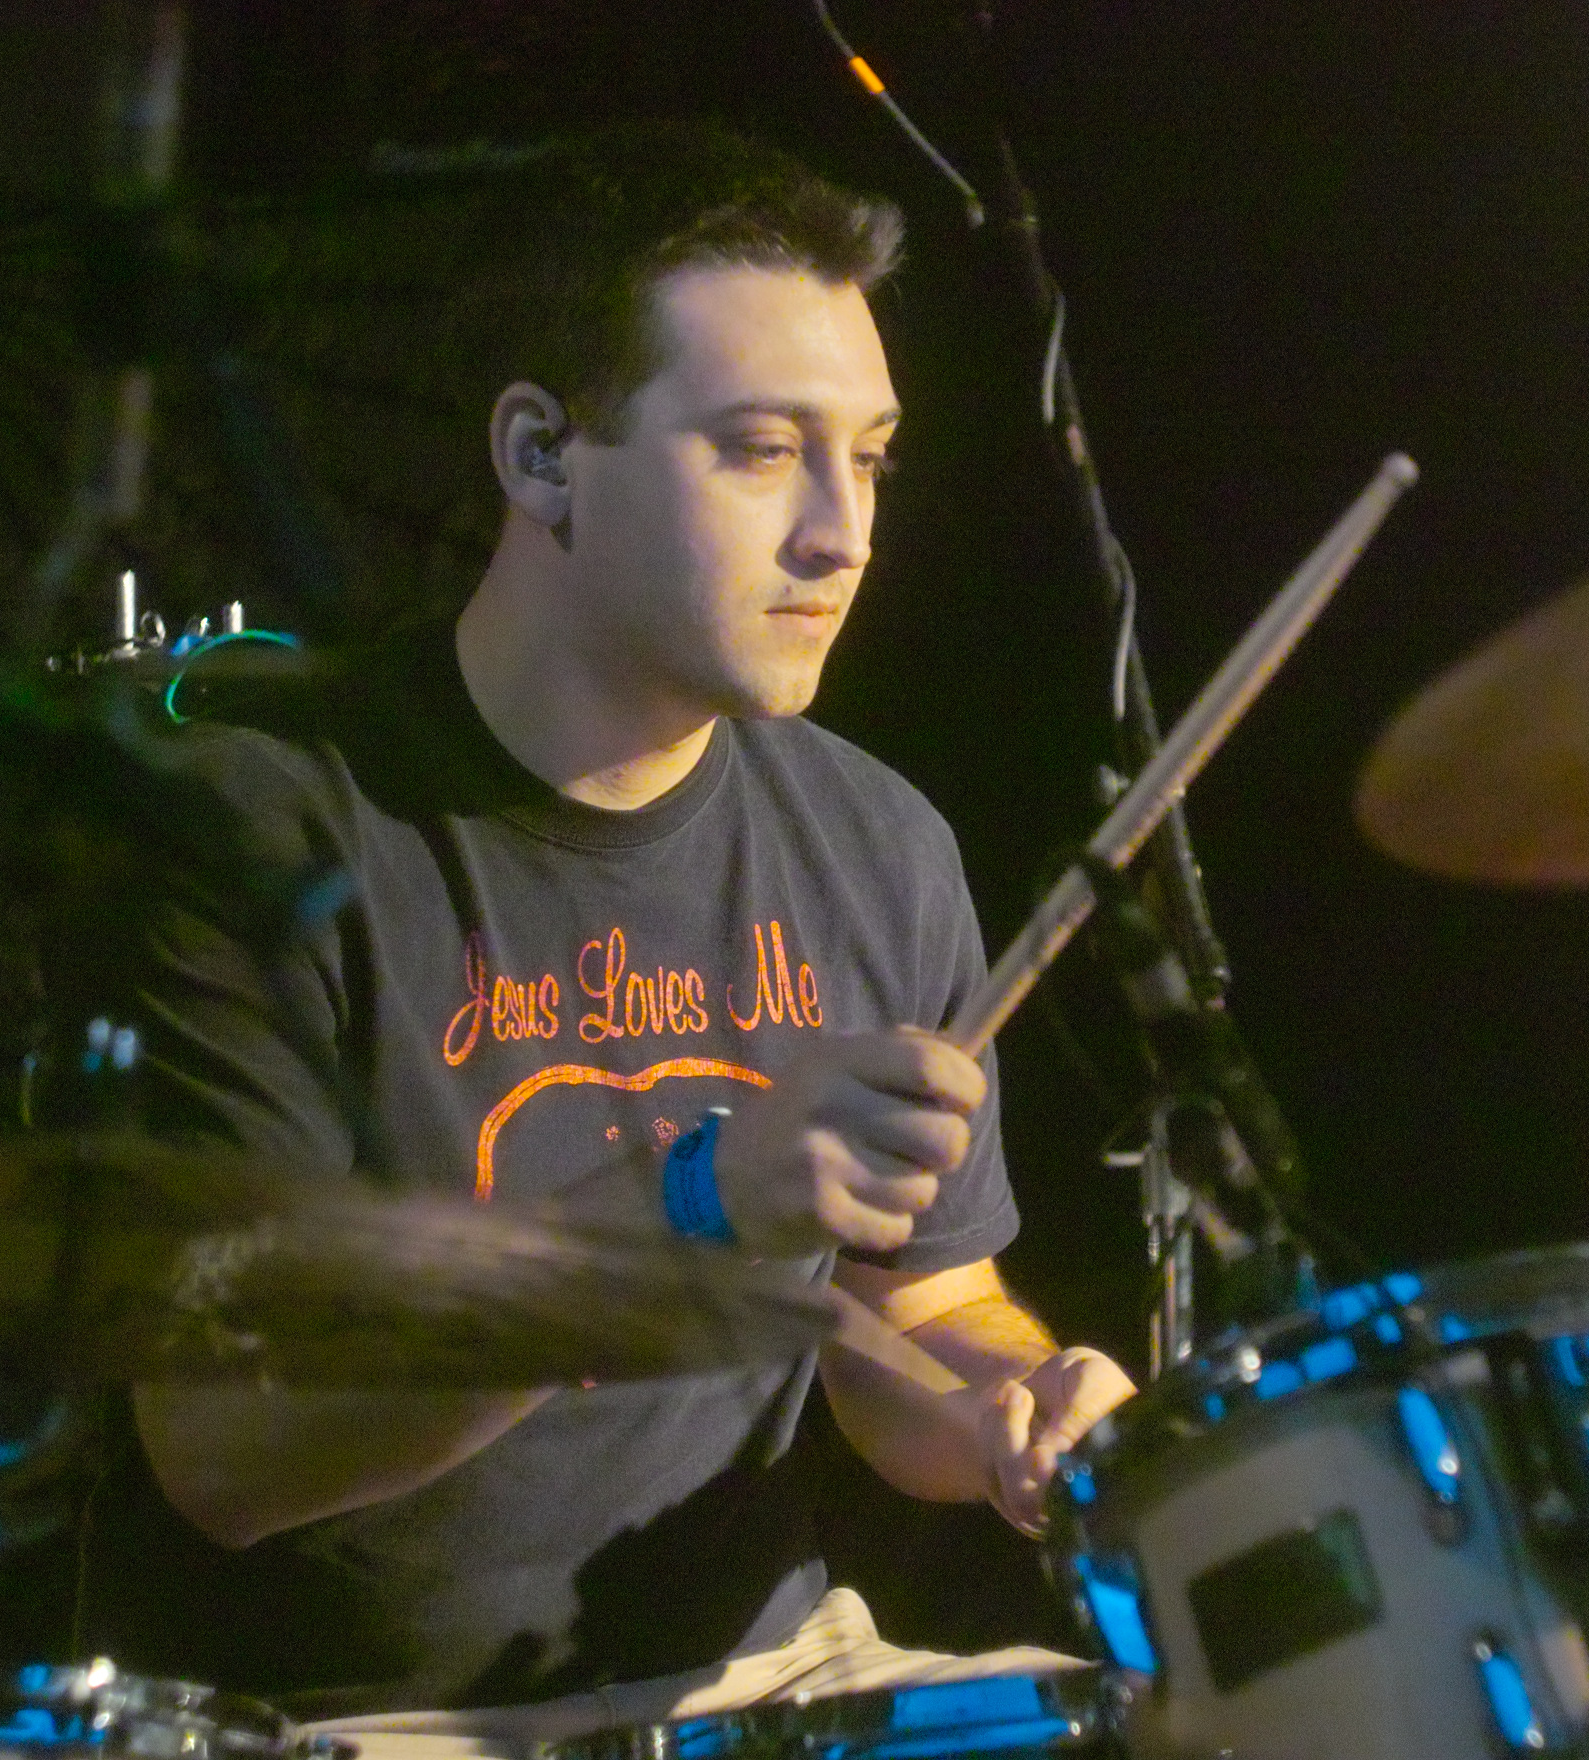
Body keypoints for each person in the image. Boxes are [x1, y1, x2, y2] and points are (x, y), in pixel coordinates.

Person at [76, 124, 1136, 1718]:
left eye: (870, 457)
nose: (843, 532)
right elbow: (229, 1449)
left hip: (759, 1681)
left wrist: (1009, 1402)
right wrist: (694, 1204)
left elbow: (907, 1314)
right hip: (360, 1725)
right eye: (764, 450)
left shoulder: (878, 842)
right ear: (541, 457)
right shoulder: (256, 838)